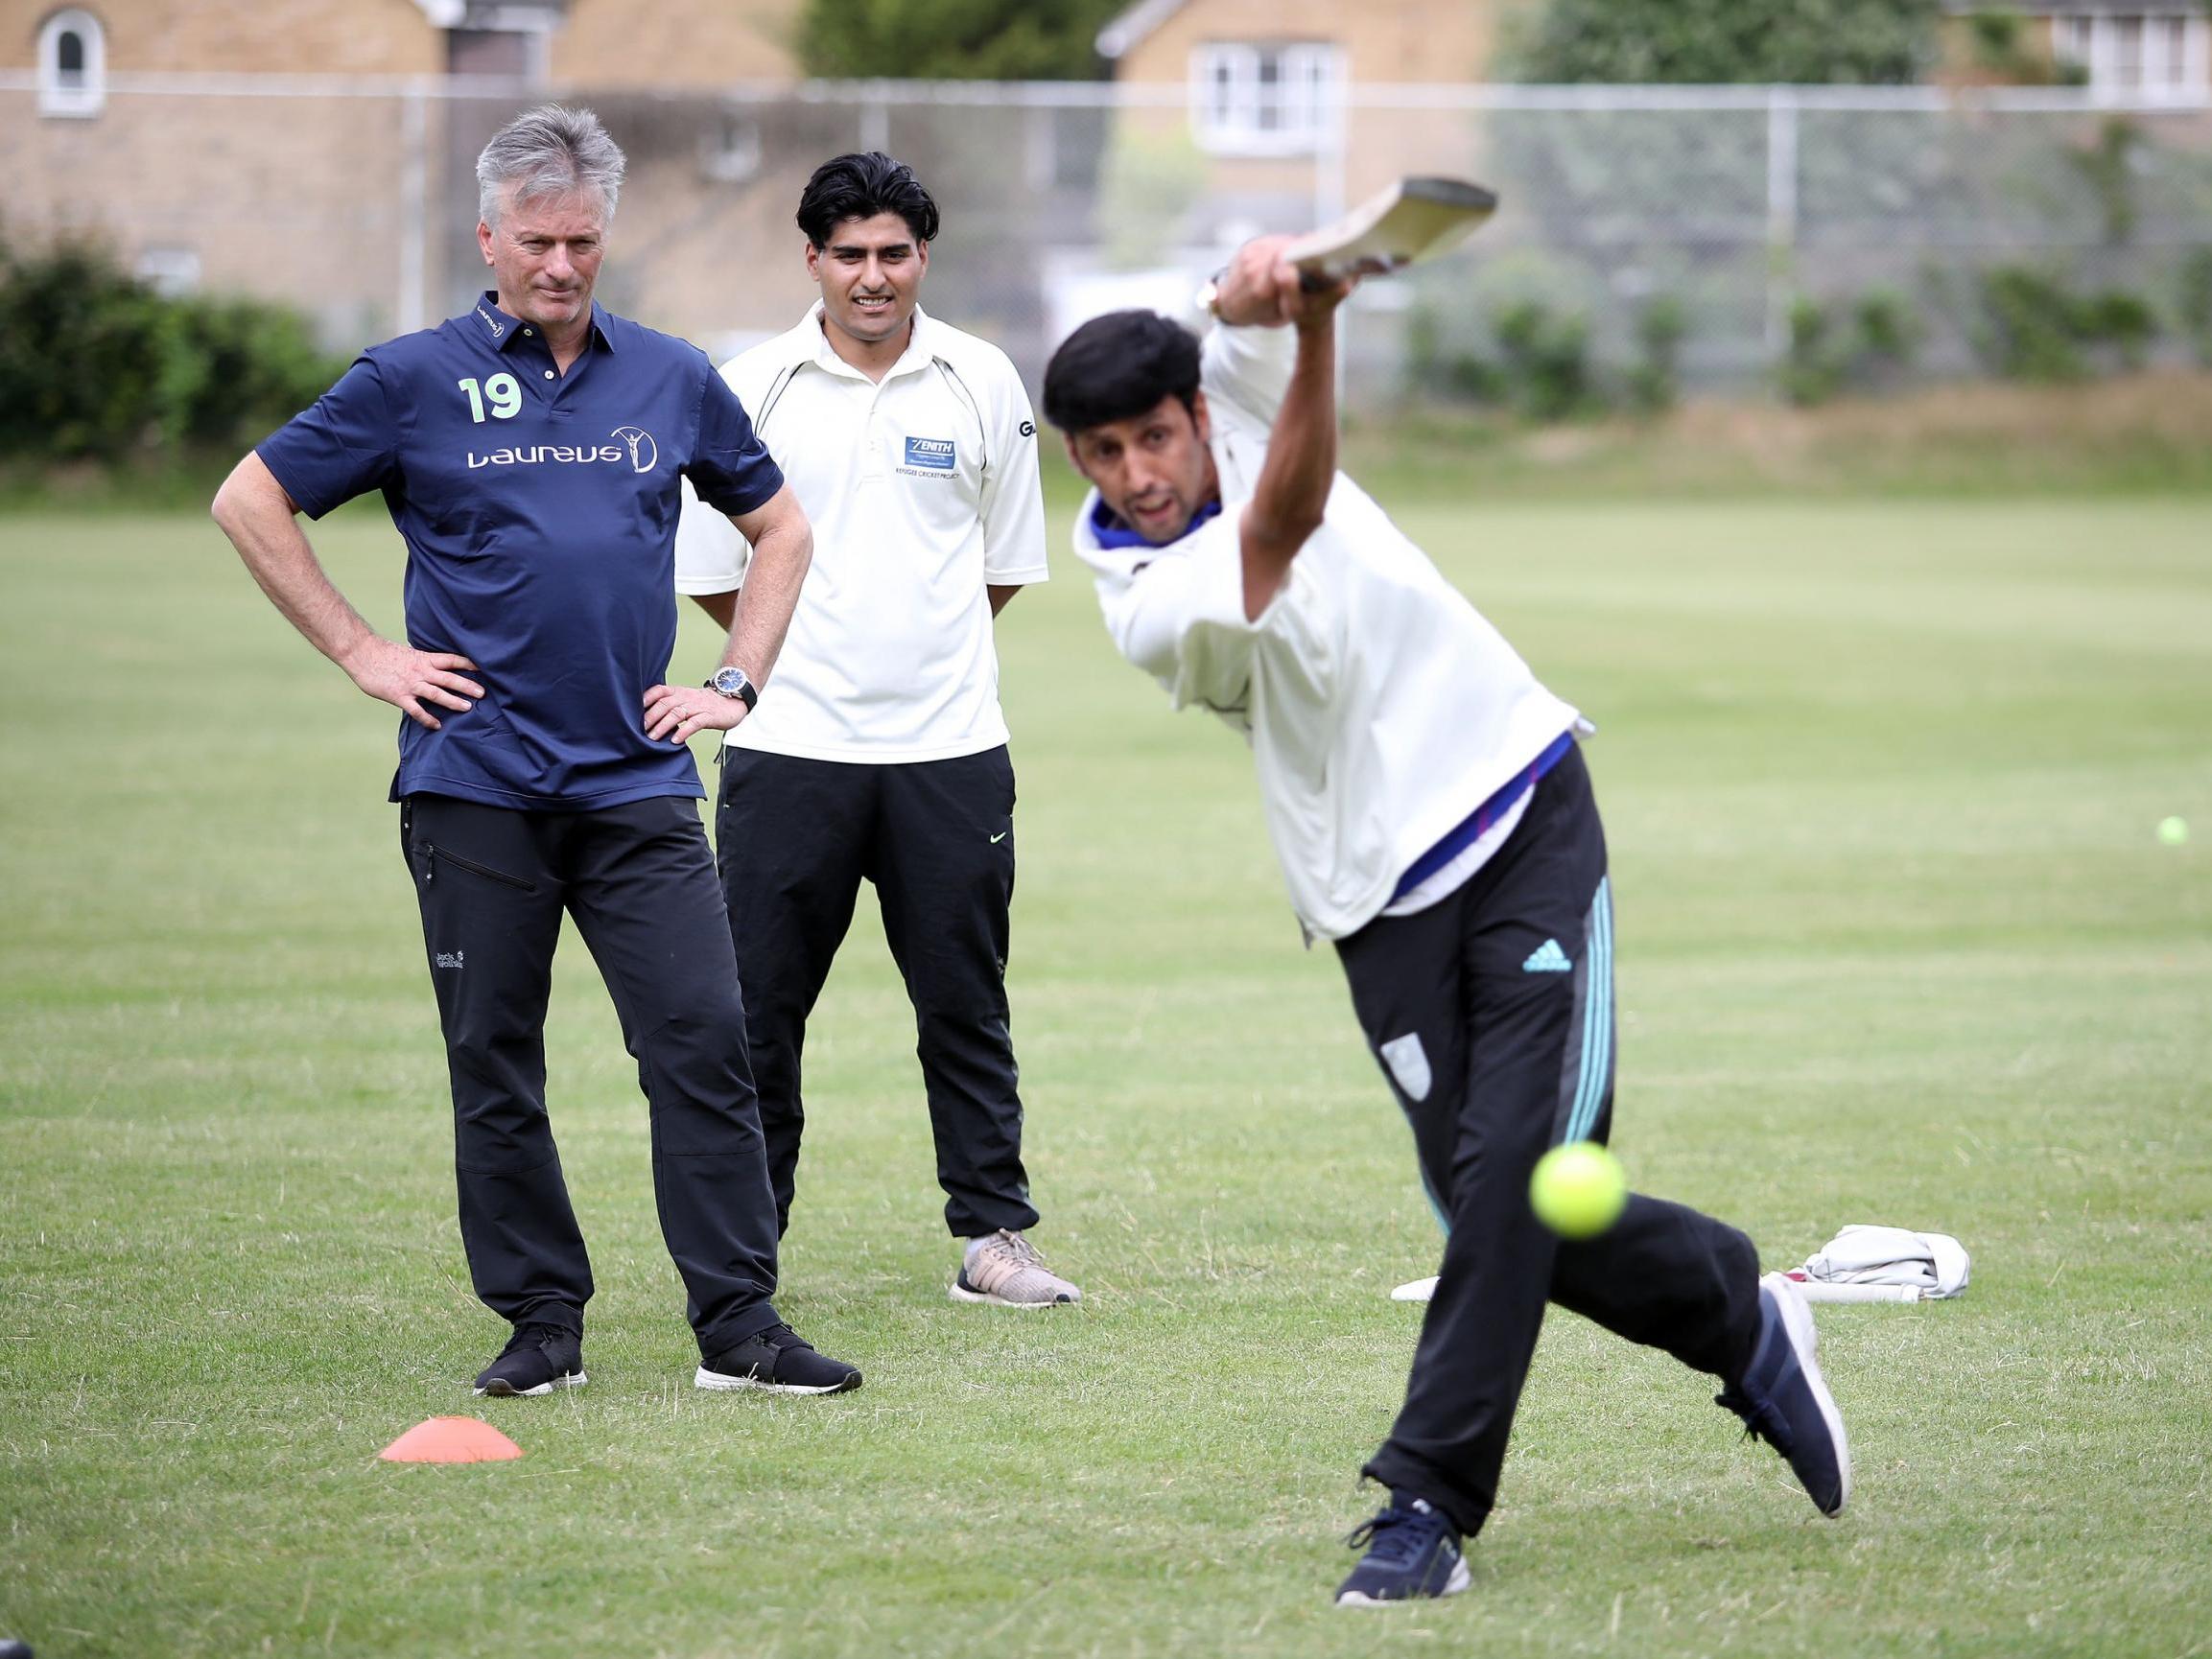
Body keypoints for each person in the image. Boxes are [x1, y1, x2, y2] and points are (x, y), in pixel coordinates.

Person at [1039, 241, 1849, 1604]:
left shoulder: (1227, 386)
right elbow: (1283, 518)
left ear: (1192, 412)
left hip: (1519, 810)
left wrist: (1254, 298)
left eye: (1156, 436)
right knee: (1510, 1209)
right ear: (1080, 463)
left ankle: (1426, 1498)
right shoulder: (1147, 599)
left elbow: (1232, 317)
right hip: (1371, 896)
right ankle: (1739, 1306)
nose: (1138, 472)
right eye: (1105, 452)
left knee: (1517, 1190)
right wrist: (1320, 329)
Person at [210, 105, 861, 1399]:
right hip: (472, 785)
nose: (560, 265)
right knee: (494, 1058)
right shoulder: (409, 378)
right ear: (487, 238)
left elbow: (780, 529)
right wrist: (363, 653)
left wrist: (734, 678)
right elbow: (251, 496)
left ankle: (739, 1326)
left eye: (581, 241)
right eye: (537, 242)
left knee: (702, 1041)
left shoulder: (671, 375)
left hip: (636, 785)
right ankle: (541, 1323)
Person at [673, 152, 1079, 1308]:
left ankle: (993, 1235)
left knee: (964, 1002)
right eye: (847, 254)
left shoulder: (982, 378)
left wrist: (913, 654)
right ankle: (747, 1257)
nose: (870, 276)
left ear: (921, 259)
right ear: (810, 259)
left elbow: (998, 568)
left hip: (949, 753)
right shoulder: (748, 385)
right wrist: (805, 668)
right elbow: (716, 572)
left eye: (892, 253)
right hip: (787, 749)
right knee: (756, 1014)